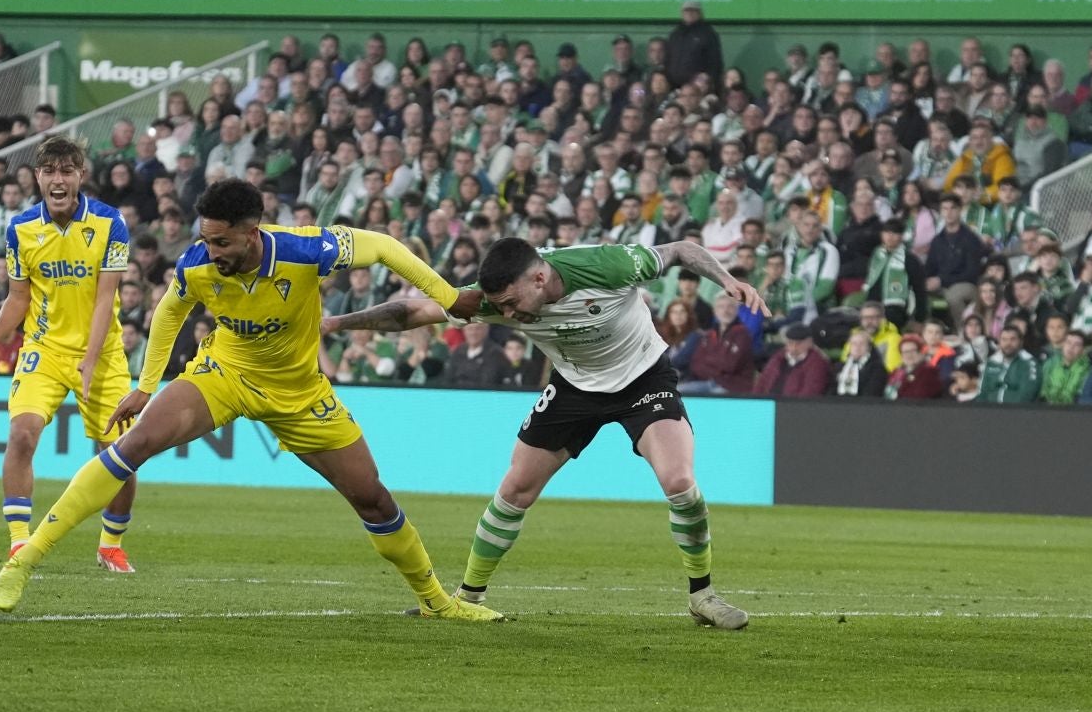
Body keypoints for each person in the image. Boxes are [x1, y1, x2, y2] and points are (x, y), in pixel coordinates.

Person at [0, 180, 499, 622]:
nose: (212, 252)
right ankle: (25, 561)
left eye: (223, 242)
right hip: (224, 374)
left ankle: (436, 601)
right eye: (207, 240)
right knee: (134, 443)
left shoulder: (306, 250)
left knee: (373, 498)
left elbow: (386, 246)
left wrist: (450, 297)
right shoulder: (197, 264)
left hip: (300, 395)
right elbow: (169, 314)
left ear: (252, 232)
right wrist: (146, 386)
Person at [327, 236, 769, 631]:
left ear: (540, 277)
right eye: (499, 306)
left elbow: (681, 250)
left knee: (679, 482)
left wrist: (726, 279)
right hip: (574, 387)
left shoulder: (607, 265)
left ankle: (702, 597)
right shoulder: (500, 298)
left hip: (643, 379)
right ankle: (467, 598)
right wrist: (334, 325)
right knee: (515, 488)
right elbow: (412, 311)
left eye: (512, 304)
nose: (506, 315)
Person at [0, 136, 141, 572]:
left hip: (100, 355)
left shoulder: (110, 223)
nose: (58, 179)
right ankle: (18, 543)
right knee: (22, 434)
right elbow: (18, 298)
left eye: (67, 171)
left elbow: (106, 298)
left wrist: (90, 355)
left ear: (80, 176)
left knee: (119, 451)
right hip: (43, 350)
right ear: (38, 177)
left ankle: (110, 543)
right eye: (50, 171)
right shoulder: (20, 229)